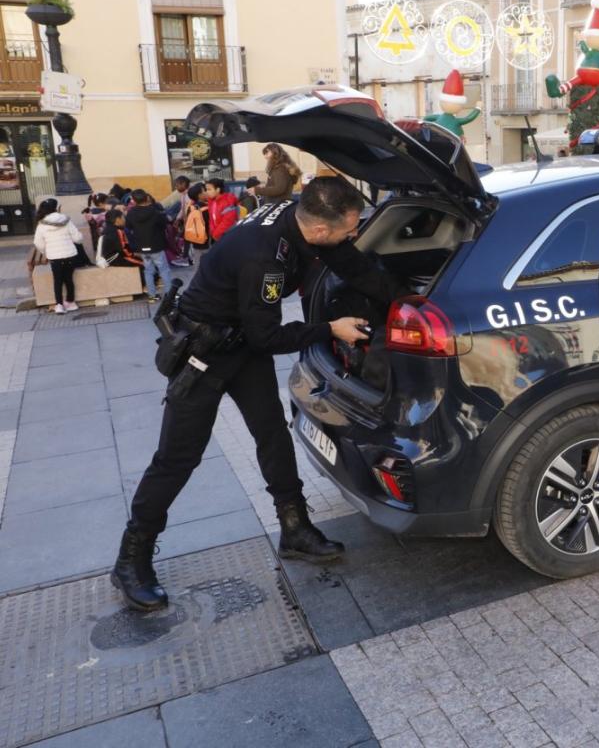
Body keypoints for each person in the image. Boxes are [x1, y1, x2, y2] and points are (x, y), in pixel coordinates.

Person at [111, 176, 400, 611]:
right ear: (320, 229)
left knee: (272, 435)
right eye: (349, 227)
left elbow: (355, 266)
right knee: (177, 458)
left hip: (241, 344)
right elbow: (267, 336)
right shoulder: (264, 256)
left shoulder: (305, 219)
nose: (353, 232)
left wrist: (409, 303)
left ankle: (295, 529)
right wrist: (329, 329)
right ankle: (131, 559)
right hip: (203, 354)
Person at [32, 198, 83, 314]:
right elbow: (77, 238)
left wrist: (46, 251)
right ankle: (71, 302)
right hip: (70, 254)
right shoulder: (66, 220)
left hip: (55, 257)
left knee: (58, 280)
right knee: (69, 279)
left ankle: (59, 305)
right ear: (56, 208)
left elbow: (37, 243)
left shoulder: (42, 224)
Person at [125, 189, 173, 302]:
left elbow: (129, 227)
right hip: (156, 246)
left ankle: (152, 296)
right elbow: (164, 224)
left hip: (142, 247)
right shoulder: (155, 211)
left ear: (134, 201)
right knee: (164, 270)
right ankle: (170, 294)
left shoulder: (131, 213)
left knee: (148, 271)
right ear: (147, 198)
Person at [203, 177, 239, 242]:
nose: (207, 192)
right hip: (217, 237)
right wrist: (213, 232)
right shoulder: (212, 201)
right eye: (206, 189)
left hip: (227, 238)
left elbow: (227, 222)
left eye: (209, 189)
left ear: (218, 190)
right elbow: (211, 219)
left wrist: (215, 234)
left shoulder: (228, 201)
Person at [182, 182, 210, 258]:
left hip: (196, 243)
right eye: (204, 190)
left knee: (198, 266)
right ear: (199, 195)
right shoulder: (207, 208)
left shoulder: (191, 208)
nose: (207, 192)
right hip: (208, 243)